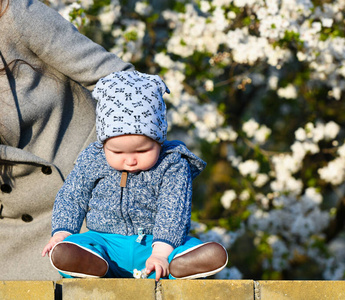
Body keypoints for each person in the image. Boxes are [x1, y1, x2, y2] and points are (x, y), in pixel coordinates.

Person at [41, 70, 228, 281]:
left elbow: (174, 210)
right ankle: (89, 265)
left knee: (186, 245)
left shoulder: (172, 164)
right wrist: (62, 232)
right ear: (103, 144)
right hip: (106, 242)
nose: (130, 160)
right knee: (79, 245)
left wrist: (161, 253)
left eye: (142, 151)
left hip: (156, 245)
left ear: (159, 140)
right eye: (117, 152)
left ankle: (178, 266)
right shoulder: (93, 158)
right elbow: (73, 195)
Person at [0, 0, 134, 280]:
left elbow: (123, 86)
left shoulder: (17, 15)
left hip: (88, 212)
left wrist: (110, 171)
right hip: (12, 236)